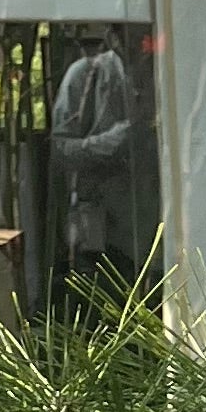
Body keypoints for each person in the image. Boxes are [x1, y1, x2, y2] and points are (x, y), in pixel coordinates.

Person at [51, 25, 144, 300]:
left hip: (158, 233)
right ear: (112, 35)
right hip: (100, 234)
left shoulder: (173, 74)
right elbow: (61, 149)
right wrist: (114, 141)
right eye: (123, 32)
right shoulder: (86, 75)